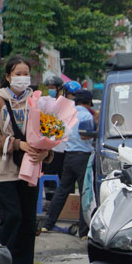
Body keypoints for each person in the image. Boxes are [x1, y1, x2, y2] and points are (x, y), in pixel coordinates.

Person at [0, 56, 53, 264]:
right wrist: (17, 144)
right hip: (4, 170)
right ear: (8, 76)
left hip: (31, 170)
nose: (23, 78)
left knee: (26, 221)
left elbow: (50, 136)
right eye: (18, 74)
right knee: (12, 216)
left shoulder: (38, 103)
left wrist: (45, 154)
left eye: (26, 73)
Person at [40, 90, 97, 236]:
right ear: (89, 102)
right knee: (85, 194)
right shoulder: (86, 115)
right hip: (82, 158)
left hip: (68, 156)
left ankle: (48, 224)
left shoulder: (69, 114)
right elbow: (85, 136)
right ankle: (83, 232)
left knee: (61, 191)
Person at [41, 76, 68, 176]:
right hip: (47, 147)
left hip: (60, 148)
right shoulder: (42, 103)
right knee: (47, 176)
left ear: (59, 89)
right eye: (49, 87)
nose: (50, 90)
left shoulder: (64, 105)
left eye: (52, 87)